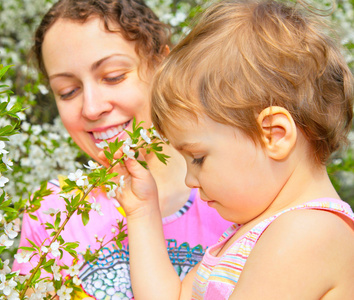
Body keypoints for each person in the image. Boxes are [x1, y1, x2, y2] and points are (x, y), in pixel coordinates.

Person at [113, 0, 354, 299]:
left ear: (274, 135)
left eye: (198, 158)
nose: (190, 180)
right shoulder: (250, 233)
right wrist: (141, 213)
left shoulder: (309, 233)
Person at [12, 0, 231, 298]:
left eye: (113, 76)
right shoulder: (52, 213)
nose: (91, 107)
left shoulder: (237, 193)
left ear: (162, 67)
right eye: (68, 91)